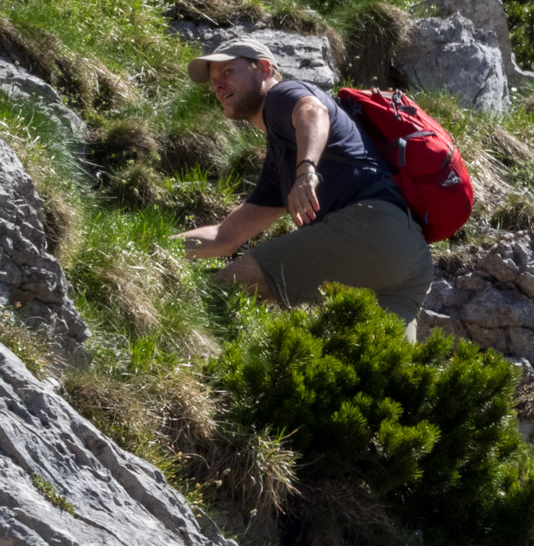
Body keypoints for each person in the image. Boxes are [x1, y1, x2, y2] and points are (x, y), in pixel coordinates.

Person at [175, 36, 434, 331]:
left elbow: (312, 111)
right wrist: (158, 248)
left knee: (224, 286)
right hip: (409, 262)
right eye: (212, 81)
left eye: (227, 72)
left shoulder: (282, 94)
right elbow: (225, 236)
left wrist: (306, 171)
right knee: (380, 368)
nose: (218, 85)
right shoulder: (281, 159)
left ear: (264, 68)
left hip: (368, 227)